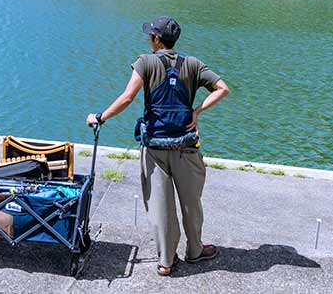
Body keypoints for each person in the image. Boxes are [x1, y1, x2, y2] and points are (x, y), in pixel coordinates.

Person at [86, 16, 231, 276]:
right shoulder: (193, 64)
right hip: (186, 146)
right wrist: (197, 111)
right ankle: (195, 251)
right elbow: (222, 88)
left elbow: (128, 97)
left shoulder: (145, 62)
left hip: (155, 147)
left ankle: (166, 261)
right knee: (191, 203)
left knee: (160, 205)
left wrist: (100, 117)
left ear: (156, 39)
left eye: (150, 36)